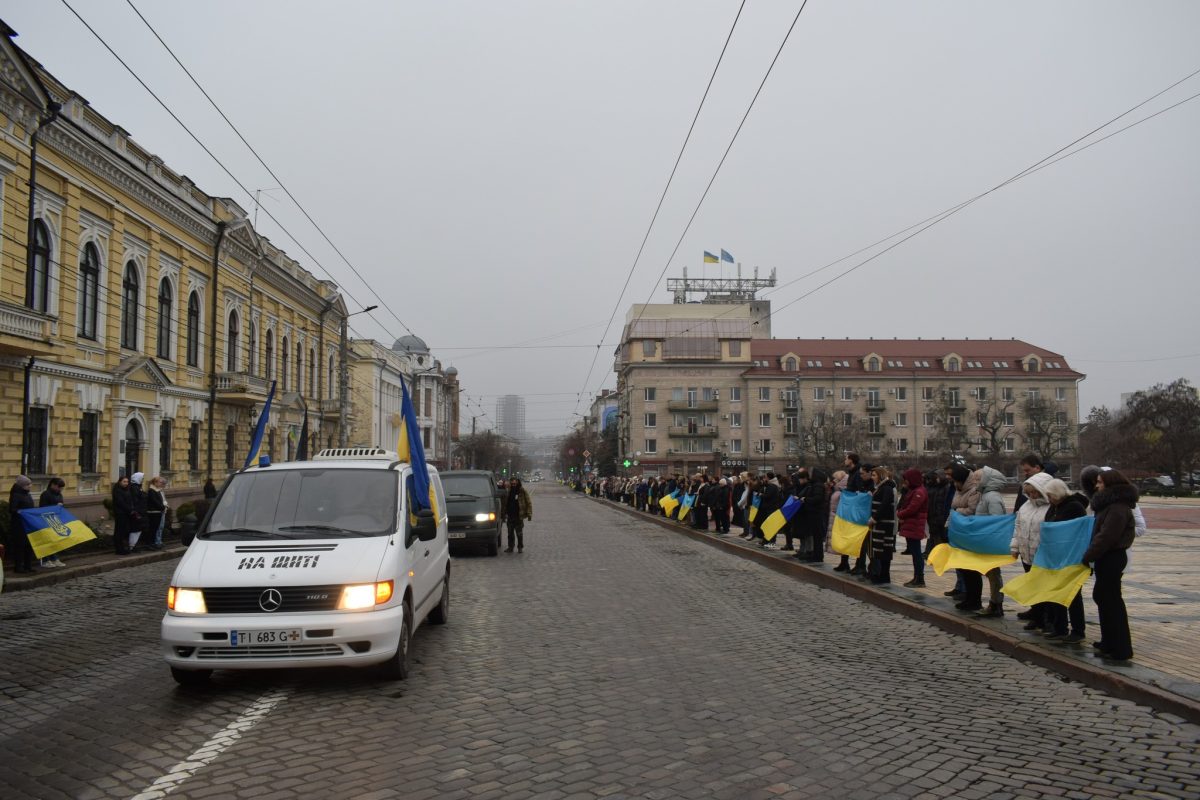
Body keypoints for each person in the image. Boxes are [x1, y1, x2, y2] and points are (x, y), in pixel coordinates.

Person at [1085, 469, 1137, 662]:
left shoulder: (1117, 508)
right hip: (1106, 557)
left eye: (1100, 482)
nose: (1096, 485)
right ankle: (1109, 641)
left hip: (1112, 556)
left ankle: (1121, 647)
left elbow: (1107, 536)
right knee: (1103, 597)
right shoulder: (1109, 505)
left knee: (1111, 601)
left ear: (1110, 484)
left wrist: (1088, 555)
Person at [1041, 478, 1089, 642]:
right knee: (1055, 592)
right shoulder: (1054, 506)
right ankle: (1059, 627)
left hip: (1071, 557)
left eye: (1050, 496)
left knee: (1073, 594)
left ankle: (1078, 630)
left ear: (1058, 493)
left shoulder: (1074, 506)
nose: (1049, 499)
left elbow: (1073, 530)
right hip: (1055, 556)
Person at [1011, 472, 1054, 630]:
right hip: (1027, 554)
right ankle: (1036, 617)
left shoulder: (1051, 507)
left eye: (1033, 492)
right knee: (1033, 587)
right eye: (1028, 493)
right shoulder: (1026, 506)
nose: (1031, 495)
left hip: (1042, 555)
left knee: (1046, 589)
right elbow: (1018, 527)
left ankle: (1048, 620)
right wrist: (1015, 547)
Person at [972, 466, 1009, 618]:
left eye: (977, 478)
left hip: (990, 541)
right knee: (990, 574)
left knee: (994, 574)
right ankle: (994, 603)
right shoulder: (985, 495)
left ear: (986, 480)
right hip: (985, 540)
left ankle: (996, 604)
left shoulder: (992, 497)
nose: (974, 481)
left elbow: (996, 520)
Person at [948, 463, 981, 609]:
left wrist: (956, 512)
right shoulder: (958, 490)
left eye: (956, 480)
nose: (954, 484)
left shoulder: (973, 490)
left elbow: (972, 509)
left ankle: (974, 600)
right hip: (959, 531)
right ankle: (968, 597)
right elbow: (954, 504)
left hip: (969, 531)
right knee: (962, 567)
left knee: (971, 570)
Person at [896, 468, 928, 587]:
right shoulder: (913, 490)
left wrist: (900, 514)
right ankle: (916, 577)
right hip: (911, 525)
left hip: (915, 525)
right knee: (915, 553)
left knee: (917, 554)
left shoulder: (919, 491)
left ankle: (919, 579)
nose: (905, 482)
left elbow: (912, 508)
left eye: (906, 480)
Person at [835, 454, 865, 572]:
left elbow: (858, 491)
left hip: (854, 509)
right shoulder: (852, 472)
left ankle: (860, 565)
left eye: (846, 458)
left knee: (857, 536)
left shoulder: (858, 473)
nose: (844, 460)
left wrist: (848, 492)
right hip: (849, 508)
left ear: (851, 460)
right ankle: (844, 562)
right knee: (845, 535)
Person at [867, 466, 897, 584]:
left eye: (874, 475)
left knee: (883, 550)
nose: (872, 478)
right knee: (880, 550)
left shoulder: (887, 488)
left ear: (880, 476)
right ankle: (880, 575)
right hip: (879, 524)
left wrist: (874, 518)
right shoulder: (880, 488)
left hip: (884, 525)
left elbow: (884, 505)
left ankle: (883, 575)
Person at [8, 475, 36, 573]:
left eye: (30, 484)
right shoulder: (16, 495)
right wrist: (20, 512)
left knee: (29, 546)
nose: (30, 486)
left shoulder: (28, 494)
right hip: (19, 525)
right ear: (22, 485)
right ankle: (18, 567)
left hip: (28, 524)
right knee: (20, 546)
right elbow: (12, 509)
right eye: (27, 484)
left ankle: (28, 566)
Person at [38, 477, 68, 568]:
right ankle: (45, 560)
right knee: (47, 540)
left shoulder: (59, 494)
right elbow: (43, 508)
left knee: (55, 540)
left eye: (61, 488)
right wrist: (55, 506)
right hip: (46, 520)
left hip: (56, 520)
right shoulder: (45, 494)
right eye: (59, 487)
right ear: (53, 485)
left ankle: (54, 558)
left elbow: (61, 505)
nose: (60, 489)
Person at [504, 477, 532, 553]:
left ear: (517, 482)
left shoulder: (522, 490)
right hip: (510, 515)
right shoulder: (508, 491)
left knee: (519, 533)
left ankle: (520, 547)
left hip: (519, 516)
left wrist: (529, 513)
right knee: (510, 533)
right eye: (512, 482)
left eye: (514, 482)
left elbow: (528, 502)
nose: (513, 483)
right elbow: (505, 502)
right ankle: (510, 547)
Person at [111, 475, 136, 555]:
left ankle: (124, 547)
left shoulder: (126, 490)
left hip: (126, 514)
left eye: (127, 482)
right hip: (120, 514)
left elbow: (130, 500)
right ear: (120, 482)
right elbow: (121, 503)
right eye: (124, 481)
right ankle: (119, 549)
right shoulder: (117, 490)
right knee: (119, 531)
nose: (126, 483)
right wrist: (130, 509)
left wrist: (132, 509)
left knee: (125, 531)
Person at [146, 476, 169, 550]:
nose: (161, 483)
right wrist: (163, 507)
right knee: (153, 529)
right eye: (160, 482)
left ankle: (156, 542)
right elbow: (155, 501)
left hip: (158, 512)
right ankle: (151, 544)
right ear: (155, 482)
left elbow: (162, 500)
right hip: (153, 512)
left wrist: (165, 506)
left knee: (158, 528)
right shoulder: (152, 490)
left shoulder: (158, 490)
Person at [129, 472, 149, 551]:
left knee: (138, 529)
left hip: (141, 511)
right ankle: (132, 546)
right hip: (137, 513)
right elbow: (136, 501)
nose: (143, 480)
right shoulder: (134, 488)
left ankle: (134, 545)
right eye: (142, 478)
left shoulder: (138, 487)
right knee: (135, 529)